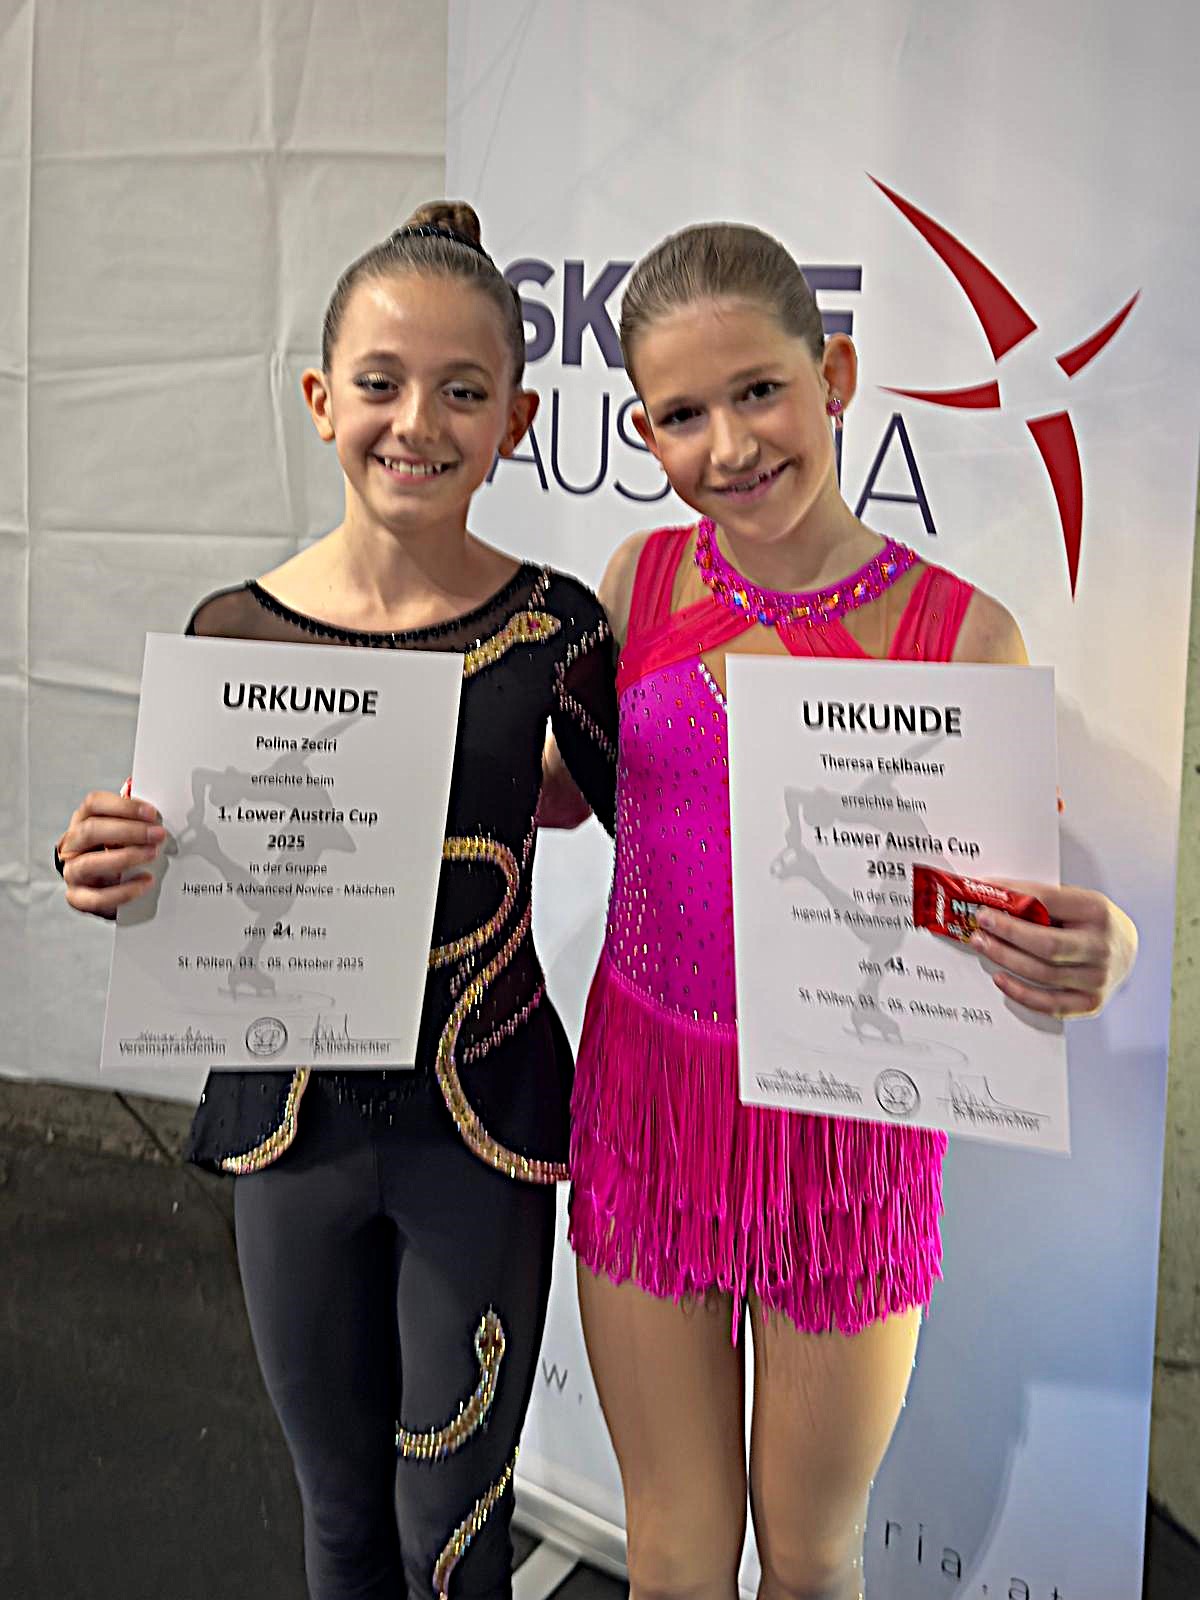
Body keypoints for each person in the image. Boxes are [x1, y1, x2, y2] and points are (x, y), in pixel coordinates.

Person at [54, 202, 618, 1600]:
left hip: (478, 1132)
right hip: (288, 1132)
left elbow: (678, 846)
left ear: (518, 421)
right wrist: (113, 868)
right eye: (380, 382)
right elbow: (185, 871)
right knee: (341, 1521)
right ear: (321, 400)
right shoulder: (232, 632)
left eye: (464, 391)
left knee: (452, 1536)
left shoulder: (556, 631)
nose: (416, 422)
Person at [567, 222, 1139, 1600]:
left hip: (850, 1132)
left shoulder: (962, 635)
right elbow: (553, 787)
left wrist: (1097, 946)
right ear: (642, 429)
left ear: (834, 374)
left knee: (813, 1557)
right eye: (682, 415)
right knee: (672, 1552)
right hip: (647, 1103)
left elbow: (996, 899)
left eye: (759, 391)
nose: (729, 446)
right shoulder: (638, 585)